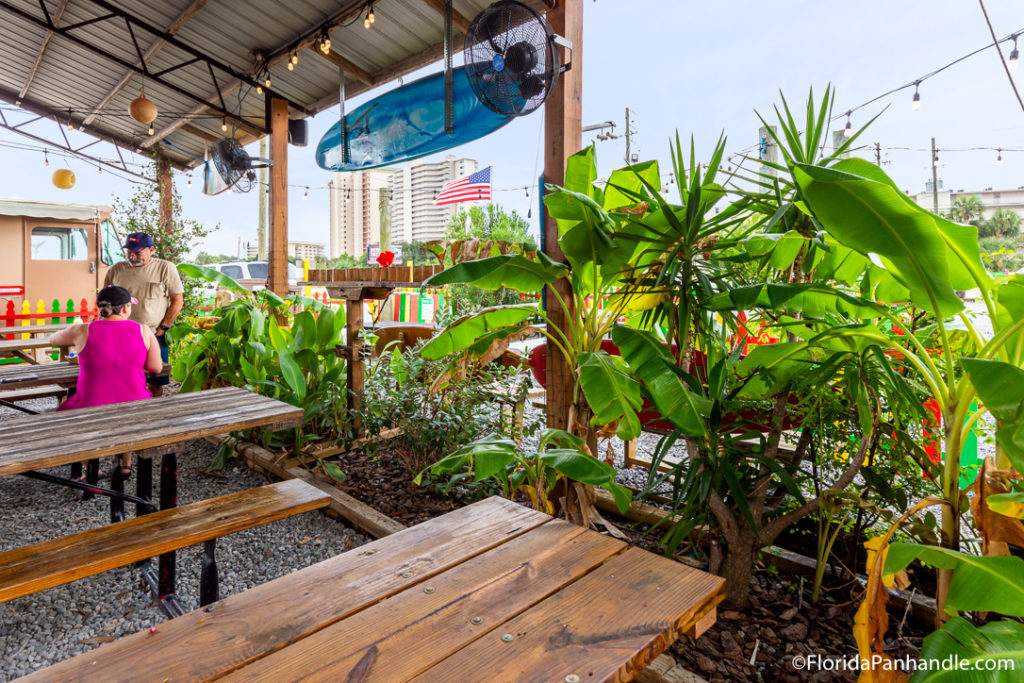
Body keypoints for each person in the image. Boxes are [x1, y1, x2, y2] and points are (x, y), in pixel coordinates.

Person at [51, 285, 163, 477]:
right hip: (137, 406)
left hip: (90, 408)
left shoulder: (82, 330)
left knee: (60, 419)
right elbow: (156, 368)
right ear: (126, 308)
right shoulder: (144, 331)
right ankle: (125, 464)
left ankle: (90, 467)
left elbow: (53, 340)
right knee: (127, 403)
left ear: (100, 309)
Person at [104, 232, 184, 398]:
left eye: (137, 253)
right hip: (122, 336)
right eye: (129, 253)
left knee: (156, 380)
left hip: (155, 335)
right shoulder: (116, 270)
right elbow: (105, 299)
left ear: (151, 250)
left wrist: (164, 327)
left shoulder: (165, 268)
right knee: (122, 378)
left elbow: (177, 300)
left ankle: (154, 412)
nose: (132, 257)